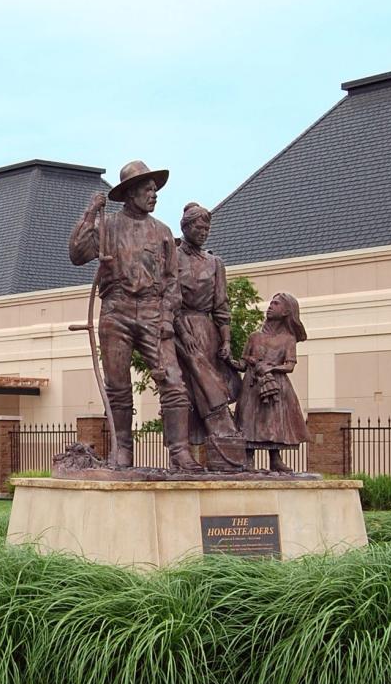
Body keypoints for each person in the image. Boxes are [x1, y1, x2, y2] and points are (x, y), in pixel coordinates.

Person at [69, 160, 200, 471]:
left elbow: (172, 281)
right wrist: (90, 212)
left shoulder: (163, 232)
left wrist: (167, 317)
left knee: (173, 381)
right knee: (118, 385)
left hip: (154, 313)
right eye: (147, 188)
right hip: (117, 310)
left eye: (155, 189)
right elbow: (76, 254)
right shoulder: (108, 226)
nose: (154, 194)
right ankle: (123, 450)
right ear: (130, 193)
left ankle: (180, 451)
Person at [174, 202, 242, 452]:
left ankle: (220, 446)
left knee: (216, 386)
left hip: (208, 331)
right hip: (181, 329)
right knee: (187, 392)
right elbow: (169, 299)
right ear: (186, 227)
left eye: (207, 229)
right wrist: (182, 332)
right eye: (199, 228)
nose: (204, 233)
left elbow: (221, 307)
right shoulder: (172, 256)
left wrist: (225, 341)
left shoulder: (215, 263)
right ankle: (183, 453)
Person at [235, 292, 310, 472]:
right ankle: (248, 459)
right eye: (271, 303)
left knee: (274, 422)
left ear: (286, 312)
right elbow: (243, 364)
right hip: (252, 385)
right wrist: (228, 361)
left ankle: (275, 459)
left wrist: (272, 368)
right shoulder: (255, 337)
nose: (270, 306)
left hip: (276, 386)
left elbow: (290, 366)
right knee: (248, 420)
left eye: (276, 304)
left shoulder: (288, 339)